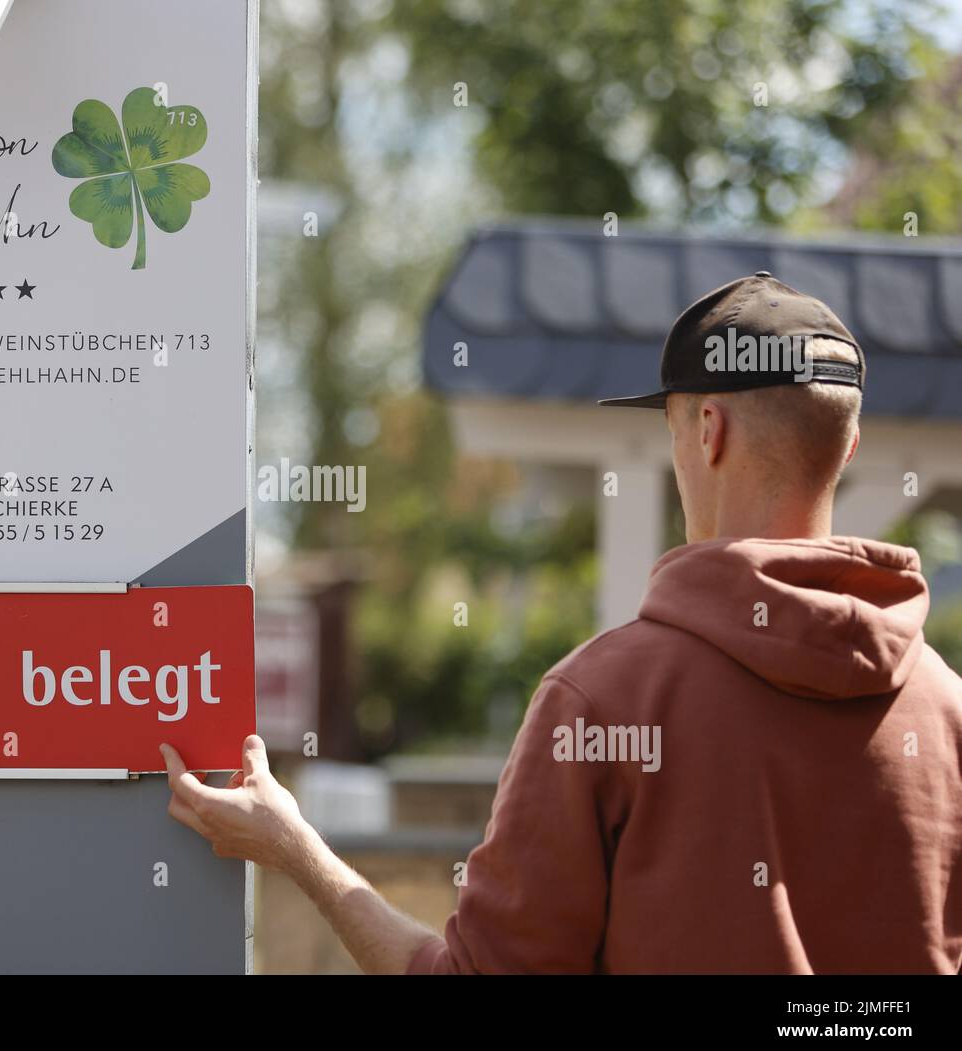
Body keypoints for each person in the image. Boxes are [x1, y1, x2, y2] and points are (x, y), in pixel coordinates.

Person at [161, 272, 962, 974]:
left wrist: (296, 851)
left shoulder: (603, 699)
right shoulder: (948, 713)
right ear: (849, 444)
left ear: (708, 433)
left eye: (673, 428)